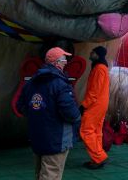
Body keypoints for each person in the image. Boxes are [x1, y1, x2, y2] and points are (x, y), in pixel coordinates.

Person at [18, 47, 81, 180]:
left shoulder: (31, 83)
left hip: (37, 136)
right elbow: (70, 112)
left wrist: (38, 116)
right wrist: (77, 117)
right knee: (51, 174)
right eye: (64, 59)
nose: (65, 62)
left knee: (40, 172)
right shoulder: (60, 84)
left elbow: (20, 106)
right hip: (56, 138)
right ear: (57, 63)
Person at [79, 46, 110, 169]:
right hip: (100, 104)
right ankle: (97, 158)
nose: (90, 53)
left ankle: (99, 157)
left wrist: (83, 105)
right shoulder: (100, 67)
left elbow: (94, 91)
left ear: (97, 55)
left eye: (92, 52)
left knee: (86, 130)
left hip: (95, 104)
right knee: (96, 131)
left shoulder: (99, 68)